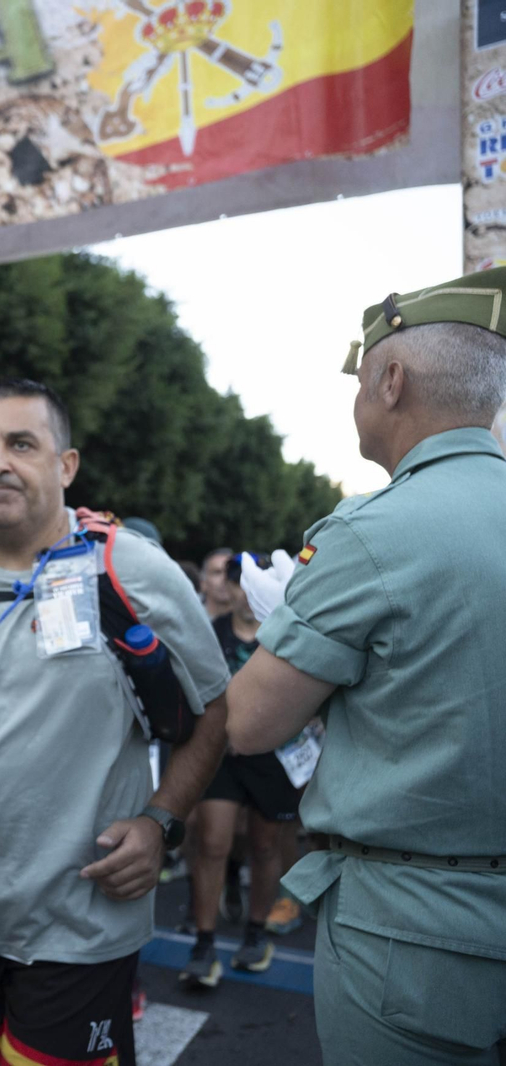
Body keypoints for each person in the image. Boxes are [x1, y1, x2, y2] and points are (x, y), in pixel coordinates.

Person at [0, 380, 230, 1066]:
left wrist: (161, 823)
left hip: (82, 919)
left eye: (20, 444)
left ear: (67, 466)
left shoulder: (130, 570)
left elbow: (214, 712)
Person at [227, 270, 506, 1066]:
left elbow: (251, 722)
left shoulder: (369, 532)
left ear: (392, 381)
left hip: (413, 935)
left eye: (359, 379)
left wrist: (284, 618)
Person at [179, 551, 304, 988]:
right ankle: (204, 944)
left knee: (265, 846)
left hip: (274, 759)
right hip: (222, 757)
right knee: (213, 842)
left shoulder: (285, 635)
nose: (250, 598)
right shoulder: (209, 633)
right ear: (229, 590)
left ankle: (255, 934)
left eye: (256, 589)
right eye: (242, 588)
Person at [198, 547, 232, 621]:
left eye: (229, 572)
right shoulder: (189, 618)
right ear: (203, 583)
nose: (225, 578)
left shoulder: (256, 620)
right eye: (217, 572)